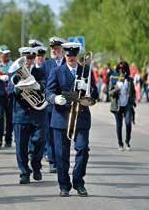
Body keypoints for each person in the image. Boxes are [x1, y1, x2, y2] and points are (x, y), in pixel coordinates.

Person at [46, 42, 98, 197]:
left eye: (74, 55)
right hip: (61, 117)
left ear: (77, 56)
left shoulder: (86, 71)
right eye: (68, 55)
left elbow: (94, 96)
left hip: (81, 116)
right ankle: (64, 185)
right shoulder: (56, 71)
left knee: (83, 150)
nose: (71, 58)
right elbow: (48, 92)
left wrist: (88, 88)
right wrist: (55, 98)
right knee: (61, 154)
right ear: (64, 54)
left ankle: (78, 181)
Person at [11, 47, 46, 184]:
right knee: (20, 145)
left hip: (38, 113)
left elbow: (45, 86)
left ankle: (36, 165)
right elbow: (9, 89)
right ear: (21, 58)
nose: (28, 61)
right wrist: (17, 88)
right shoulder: (14, 73)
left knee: (40, 141)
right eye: (26, 58)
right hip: (20, 114)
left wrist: (38, 86)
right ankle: (24, 172)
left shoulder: (41, 72)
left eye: (31, 58)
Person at [41, 36, 67, 173]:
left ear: (62, 49)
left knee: (62, 135)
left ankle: (62, 159)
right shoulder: (47, 64)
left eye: (56, 48)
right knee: (49, 133)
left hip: (65, 103)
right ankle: (52, 160)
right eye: (52, 48)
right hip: (50, 103)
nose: (54, 51)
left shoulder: (67, 62)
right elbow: (43, 82)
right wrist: (51, 96)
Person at [109, 61, 136, 151]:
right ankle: (120, 143)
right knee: (119, 125)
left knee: (128, 123)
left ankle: (127, 141)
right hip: (117, 105)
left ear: (126, 69)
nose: (121, 70)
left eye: (123, 68)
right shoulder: (113, 78)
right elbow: (110, 93)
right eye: (120, 68)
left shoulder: (130, 80)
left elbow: (133, 92)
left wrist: (133, 101)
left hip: (127, 104)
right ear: (117, 69)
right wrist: (116, 89)